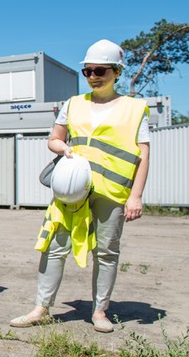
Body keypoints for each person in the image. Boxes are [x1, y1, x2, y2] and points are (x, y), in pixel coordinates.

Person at [10, 39, 150, 333]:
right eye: (87, 71)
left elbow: (142, 154)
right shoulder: (74, 104)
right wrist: (62, 148)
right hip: (73, 190)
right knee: (54, 245)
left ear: (116, 72)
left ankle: (100, 311)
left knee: (106, 250)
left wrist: (135, 196)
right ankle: (41, 308)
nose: (93, 76)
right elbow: (54, 138)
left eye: (100, 70)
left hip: (112, 192)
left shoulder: (135, 108)